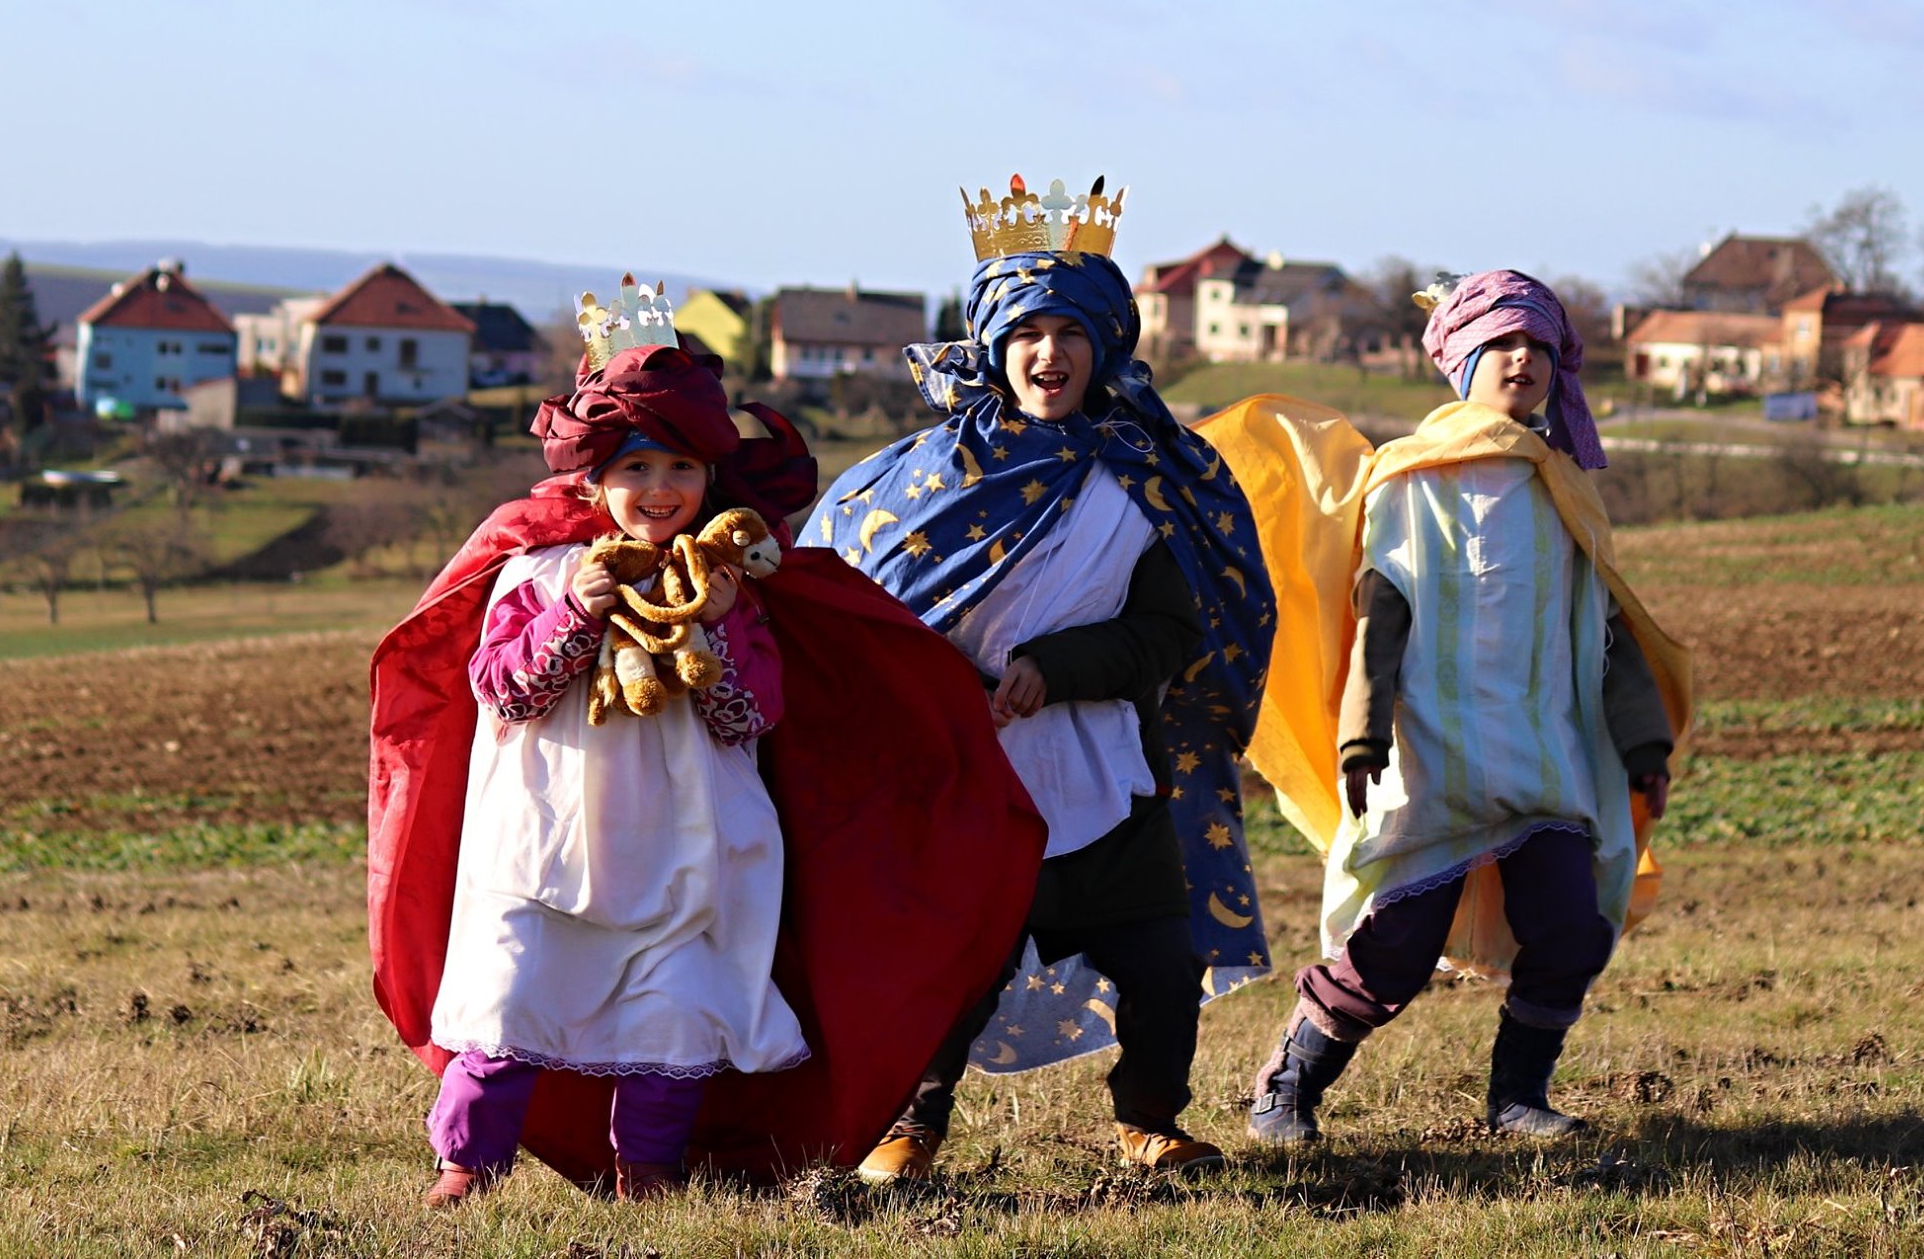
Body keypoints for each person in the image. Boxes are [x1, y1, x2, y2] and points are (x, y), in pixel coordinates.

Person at [368, 279, 1042, 1204]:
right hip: (545, 839)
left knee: (675, 1010)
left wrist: (720, 630)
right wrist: (573, 615)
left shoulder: (731, 588)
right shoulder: (540, 570)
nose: (659, 489)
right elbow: (502, 687)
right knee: (510, 993)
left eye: (681, 467)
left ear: (710, 478)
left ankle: (648, 1167)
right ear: (592, 477)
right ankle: (466, 1163)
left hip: (687, 842)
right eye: (636, 468)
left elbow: (752, 714)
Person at [803, 176, 1274, 1178]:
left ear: (1105, 344)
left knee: (1160, 959)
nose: (1047, 353)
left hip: (1103, 769)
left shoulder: (1150, 477)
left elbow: (1168, 632)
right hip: (958, 774)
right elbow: (850, 615)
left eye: (1069, 332)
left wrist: (1056, 669)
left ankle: (1149, 1119)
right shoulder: (919, 478)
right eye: (1025, 331)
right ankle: (908, 1125)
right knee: (951, 964)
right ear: (991, 344)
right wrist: (945, 688)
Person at [1203, 270, 1692, 1146]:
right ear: (1462, 358)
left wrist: (1644, 743)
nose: (1522, 358)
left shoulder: (1564, 486)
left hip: (1546, 760)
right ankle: (1287, 1087)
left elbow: (1605, 626)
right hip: (1431, 759)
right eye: (1502, 341)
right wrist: (1362, 739)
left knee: (1571, 930)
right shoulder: (1411, 478)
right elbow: (1380, 614)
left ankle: (1518, 1097)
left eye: (1538, 344)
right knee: (1391, 950)